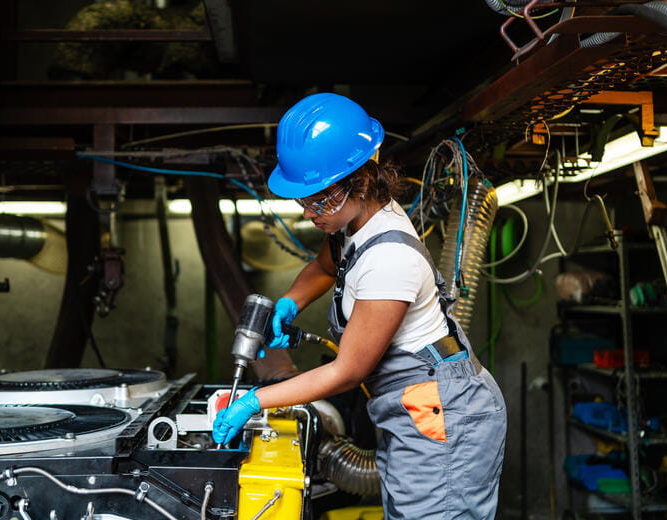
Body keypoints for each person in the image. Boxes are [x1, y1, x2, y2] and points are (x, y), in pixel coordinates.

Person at [212, 93, 507, 519]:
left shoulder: (390, 261)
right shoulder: (354, 223)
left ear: (363, 182)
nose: (311, 212)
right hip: (411, 407)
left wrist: (255, 402)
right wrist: (289, 303)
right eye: (304, 199)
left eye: (321, 199)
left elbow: (347, 371)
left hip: (442, 416)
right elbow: (323, 266)